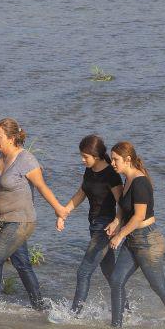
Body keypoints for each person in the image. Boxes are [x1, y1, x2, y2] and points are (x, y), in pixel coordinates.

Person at [0, 118, 62, 313]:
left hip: (21, 220)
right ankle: (40, 306)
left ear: (12, 138)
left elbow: (42, 187)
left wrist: (58, 209)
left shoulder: (26, 160)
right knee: (22, 263)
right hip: (3, 221)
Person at [104, 141, 165, 328]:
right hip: (133, 239)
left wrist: (120, 235)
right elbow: (124, 208)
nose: (113, 164)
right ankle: (116, 327)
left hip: (148, 241)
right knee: (116, 280)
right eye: (112, 159)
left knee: (159, 287)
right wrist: (116, 222)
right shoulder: (128, 179)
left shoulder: (140, 182)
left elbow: (139, 216)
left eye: (116, 160)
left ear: (128, 159)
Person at [57, 134, 127, 315]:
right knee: (111, 274)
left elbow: (122, 203)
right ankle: (125, 311)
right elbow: (82, 192)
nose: (82, 159)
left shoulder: (111, 175)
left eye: (85, 156)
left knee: (83, 272)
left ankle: (74, 314)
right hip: (94, 225)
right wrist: (64, 212)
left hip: (105, 228)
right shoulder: (90, 170)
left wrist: (116, 223)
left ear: (95, 156)